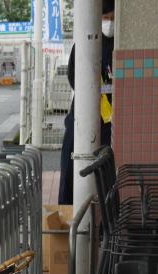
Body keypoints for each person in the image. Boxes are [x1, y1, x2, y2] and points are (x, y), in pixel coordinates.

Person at [58, 0, 115, 204]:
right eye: (105, 18)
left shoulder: (119, 43)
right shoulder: (84, 44)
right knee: (73, 169)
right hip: (82, 116)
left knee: (106, 175)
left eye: (112, 18)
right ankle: (70, 213)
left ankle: (102, 224)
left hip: (110, 122)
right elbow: (74, 78)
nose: (109, 23)